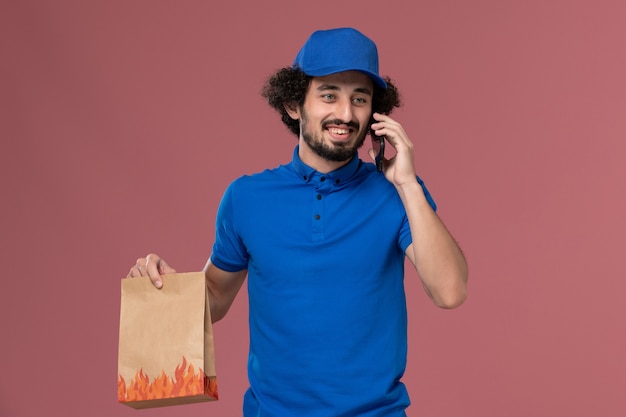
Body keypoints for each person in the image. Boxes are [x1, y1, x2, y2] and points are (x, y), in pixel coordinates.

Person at [128, 27, 468, 417]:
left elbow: (450, 292)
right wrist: (166, 289)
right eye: (329, 95)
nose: (345, 113)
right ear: (294, 104)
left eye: (360, 99)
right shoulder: (245, 198)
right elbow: (216, 297)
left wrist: (407, 183)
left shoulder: (396, 193)